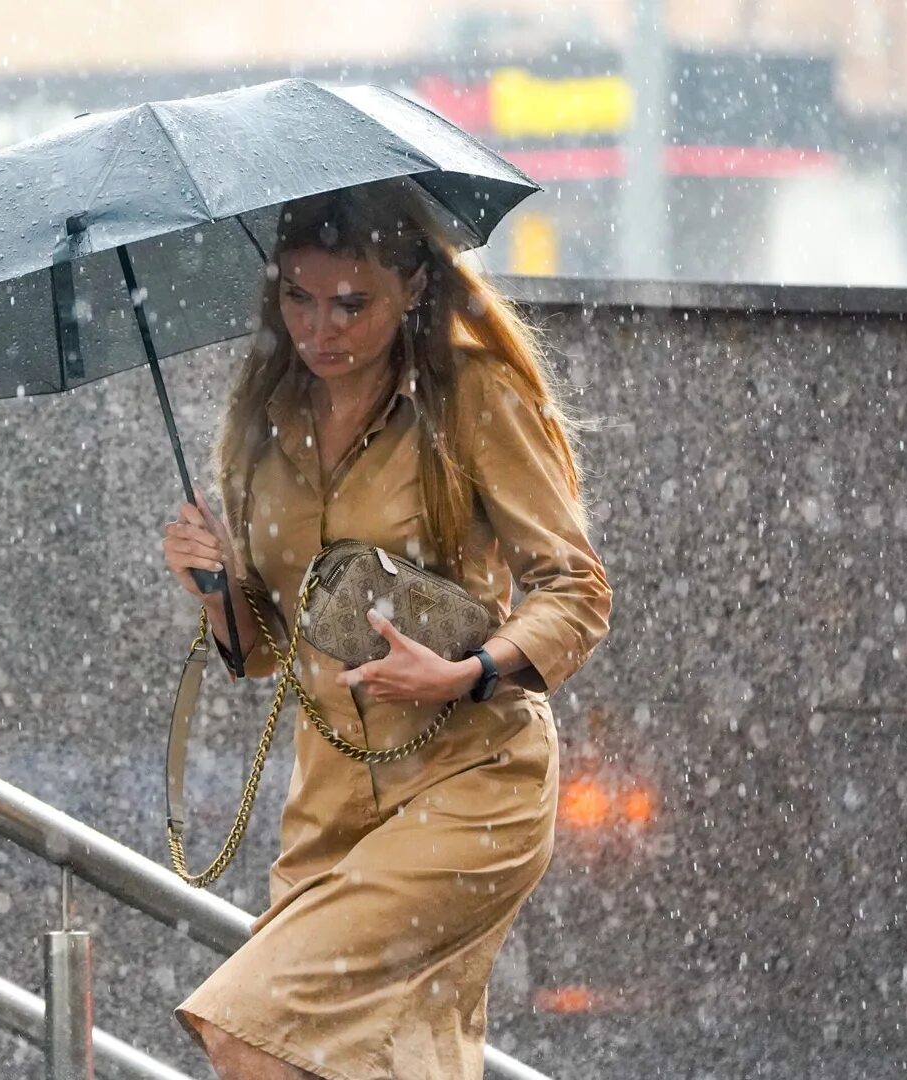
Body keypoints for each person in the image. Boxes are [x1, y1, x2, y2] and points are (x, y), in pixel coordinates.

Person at [160, 178, 612, 1080]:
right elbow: (266, 653)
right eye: (297, 295)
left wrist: (469, 670)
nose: (318, 327)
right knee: (375, 1065)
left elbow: (576, 591)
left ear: (411, 286)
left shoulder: (470, 399)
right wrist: (215, 588)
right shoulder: (265, 421)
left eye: (350, 302)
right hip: (331, 801)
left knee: (253, 1036)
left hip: (472, 776)